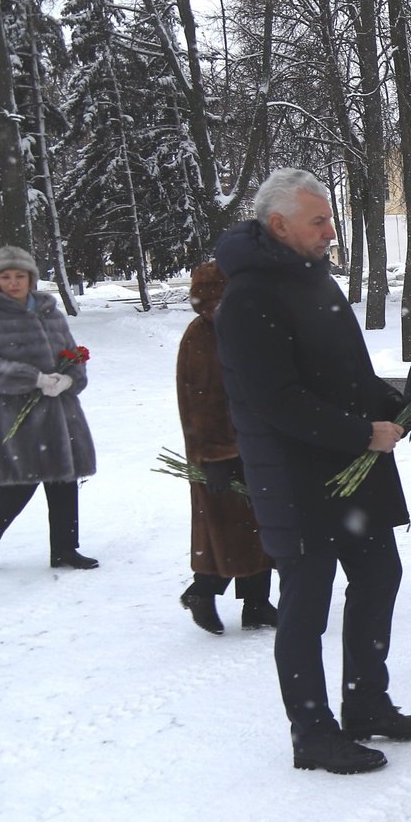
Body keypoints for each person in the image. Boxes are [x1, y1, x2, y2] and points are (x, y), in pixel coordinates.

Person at [213, 168, 411, 775]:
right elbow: (275, 401)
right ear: (278, 224)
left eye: (331, 220)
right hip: (297, 479)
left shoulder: (317, 283)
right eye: (320, 221)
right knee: (305, 606)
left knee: (378, 578)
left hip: (354, 475)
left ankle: (366, 705)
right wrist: (363, 432)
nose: (332, 232)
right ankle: (312, 732)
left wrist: (404, 405)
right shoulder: (249, 298)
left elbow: (350, 377)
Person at [0, 246, 99, 572]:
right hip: (11, 412)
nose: (13, 283)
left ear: (31, 278)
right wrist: (32, 378)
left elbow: (72, 354)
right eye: (5, 277)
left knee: (63, 478)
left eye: (19, 276)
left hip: (58, 411)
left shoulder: (50, 311)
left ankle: (65, 549)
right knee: (20, 480)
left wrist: (69, 380)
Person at [175, 261, 278, 635]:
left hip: (256, 445)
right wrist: (215, 457)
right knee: (226, 527)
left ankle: (256, 604)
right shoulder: (202, 337)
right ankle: (202, 591)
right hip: (222, 452)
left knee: (261, 525)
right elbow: (201, 404)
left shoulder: (244, 330)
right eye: (214, 302)